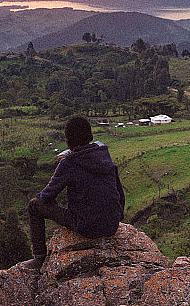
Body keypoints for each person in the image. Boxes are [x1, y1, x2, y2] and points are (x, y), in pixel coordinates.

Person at [18, 115, 125, 270]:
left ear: (68, 141)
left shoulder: (69, 163)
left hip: (86, 226)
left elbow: (46, 195)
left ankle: (39, 258)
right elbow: (120, 193)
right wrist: (115, 218)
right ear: (90, 137)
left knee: (34, 206)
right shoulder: (105, 157)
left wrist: (48, 200)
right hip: (112, 226)